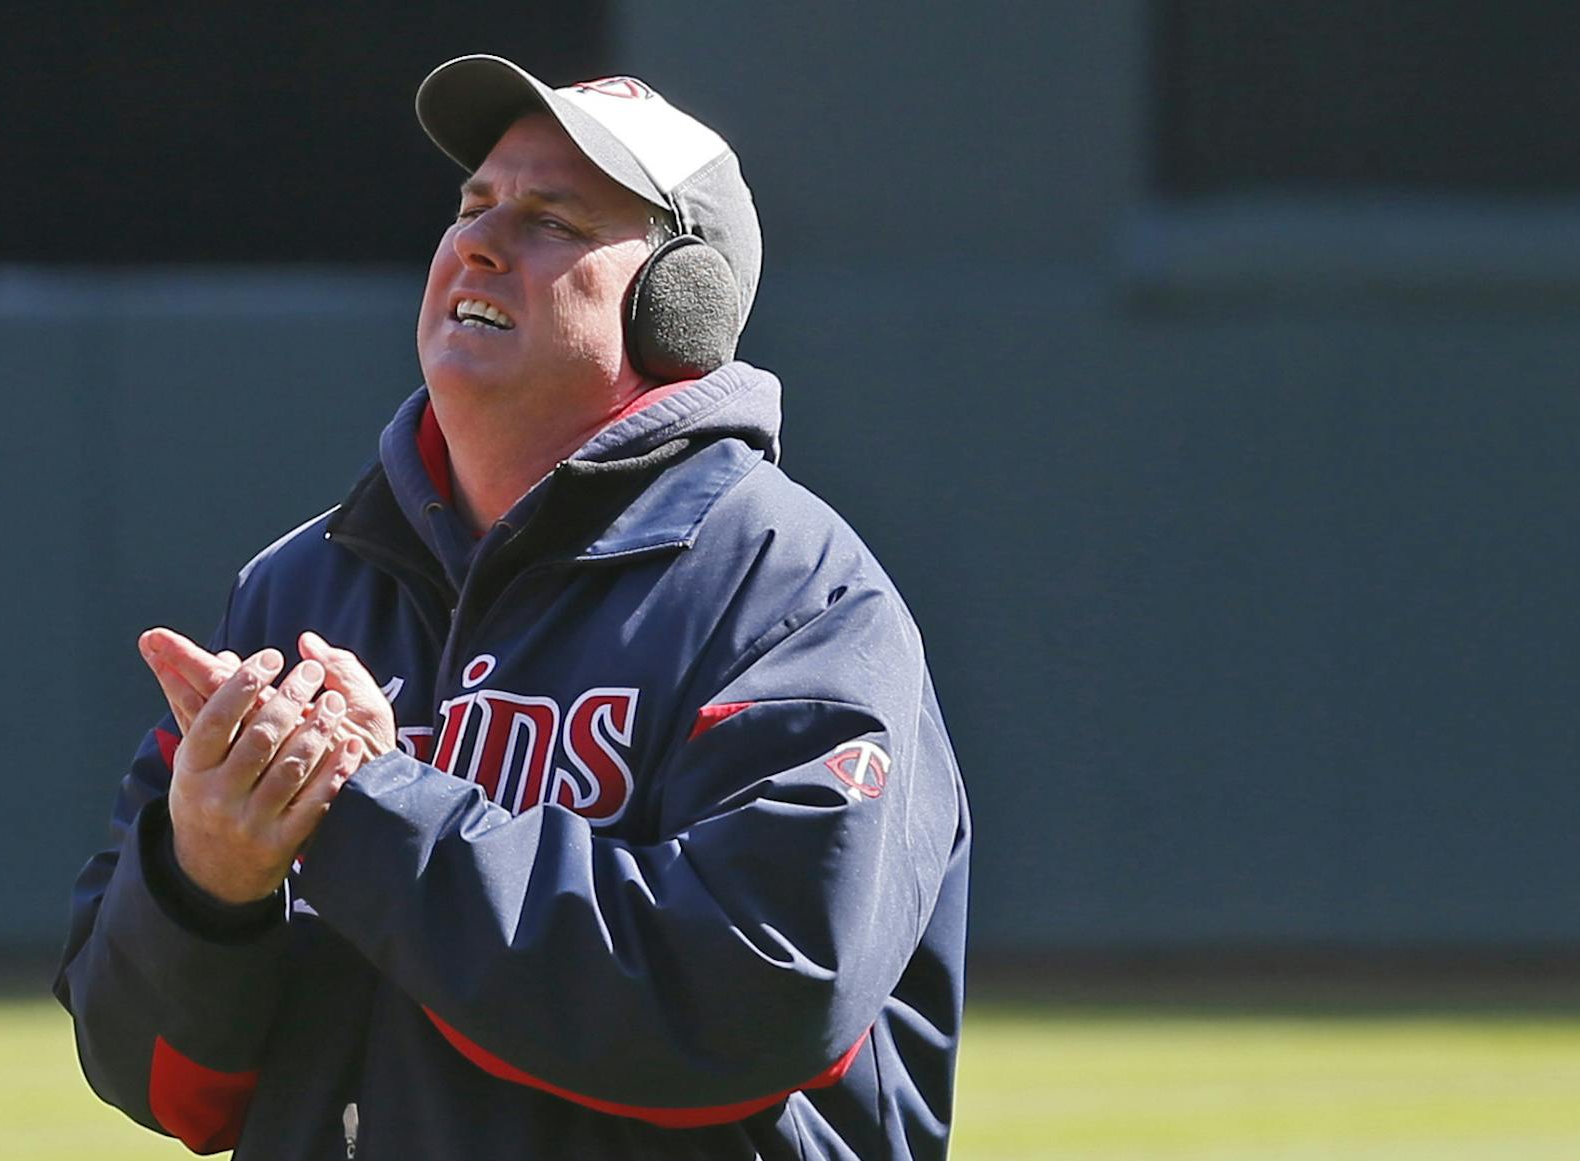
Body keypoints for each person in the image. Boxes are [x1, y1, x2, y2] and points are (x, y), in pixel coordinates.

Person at [56, 54, 971, 1160]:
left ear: (680, 300)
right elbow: (154, 1075)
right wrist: (205, 888)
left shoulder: (795, 595)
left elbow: (760, 996)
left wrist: (371, 809)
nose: (477, 243)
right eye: (472, 204)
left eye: (552, 219)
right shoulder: (302, 589)